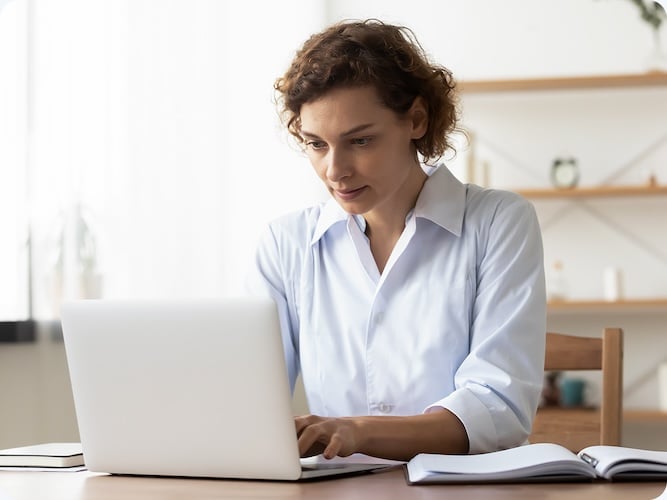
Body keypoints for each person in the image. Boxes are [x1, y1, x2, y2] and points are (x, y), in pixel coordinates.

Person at [247, 19, 546, 461]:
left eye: (360, 140)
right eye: (316, 144)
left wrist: (358, 432)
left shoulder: (498, 223)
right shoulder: (286, 244)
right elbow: (251, 402)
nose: (335, 171)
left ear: (416, 120)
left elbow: (497, 410)